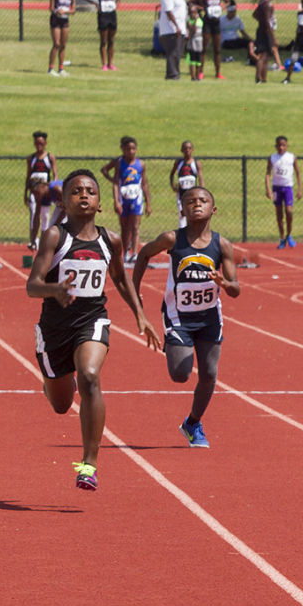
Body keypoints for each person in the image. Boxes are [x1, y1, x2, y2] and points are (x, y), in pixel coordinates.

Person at [25, 169, 160, 491]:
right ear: (63, 201)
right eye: (76, 191)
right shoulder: (55, 237)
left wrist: (140, 314)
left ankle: (89, 463)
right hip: (54, 327)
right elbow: (32, 285)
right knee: (60, 404)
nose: (83, 195)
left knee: (89, 375)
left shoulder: (110, 239)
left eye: (90, 191)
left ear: (100, 203)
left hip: (92, 319)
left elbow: (120, 278)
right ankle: (55, 381)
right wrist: (55, 289)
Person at [132, 187, 241, 448]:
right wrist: (134, 291)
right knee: (180, 374)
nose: (197, 205)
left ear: (213, 210)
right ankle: (174, 342)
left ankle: (192, 423)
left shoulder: (222, 244)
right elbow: (144, 253)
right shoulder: (172, 239)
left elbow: (236, 290)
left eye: (203, 201)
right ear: (182, 209)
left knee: (209, 374)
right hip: (178, 315)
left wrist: (224, 282)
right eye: (190, 201)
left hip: (209, 317)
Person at [101, 136, 150, 267]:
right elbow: (116, 182)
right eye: (128, 149)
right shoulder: (119, 163)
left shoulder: (141, 164)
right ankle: (125, 252)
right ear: (123, 149)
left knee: (135, 227)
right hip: (123, 199)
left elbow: (144, 183)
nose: (131, 151)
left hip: (136, 199)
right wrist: (116, 201)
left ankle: (135, 253)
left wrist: (148, 203)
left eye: (133, 149)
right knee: (124, 227)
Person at [265, 135, 303, 249]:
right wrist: (268, 189)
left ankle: (289, 235)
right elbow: (267, 174)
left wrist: (300, 189)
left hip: (288, 188)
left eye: (283, 145)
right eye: (279, 145)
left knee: (289, 211)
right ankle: (282, 237)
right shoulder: (272, 158)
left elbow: (298, 173)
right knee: (279, 214)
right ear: (276, 146)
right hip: (277, 187)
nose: (281, 147)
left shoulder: (291, 157)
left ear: (287, 146)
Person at [82, 0, 121, 72]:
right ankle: (104, 64)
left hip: (112, 14)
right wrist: (95, 4)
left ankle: (110, 63)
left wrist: (116, 4)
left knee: (111, 40)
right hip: (103, 15)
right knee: (103, 41)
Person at [24, 130, 57, 245]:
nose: (39, 146)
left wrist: (52, 187)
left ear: (45, 144)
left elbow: (55, 174)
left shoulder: (49, 157)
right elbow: (28, 175)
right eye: (37, 143)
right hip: (34, 192)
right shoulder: (31, 158)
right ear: (34, 144)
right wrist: (25, 193)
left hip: (46, 192)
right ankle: (33, 240)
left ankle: (43, 240)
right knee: (34, 213)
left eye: (41, 143)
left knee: (45, 216)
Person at [198, 0, 232, 79]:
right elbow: (194, 3)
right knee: (204, 48)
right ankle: (200, 71)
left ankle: (218, 73)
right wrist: (204, 8)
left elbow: (228, 2)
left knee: (217, 49)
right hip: (207, 22)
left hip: (216, 23)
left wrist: (222, 7)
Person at [158, 0, 187, 80]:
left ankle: (175, 74)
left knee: (178, 54)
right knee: (173, 53)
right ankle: (172, 75)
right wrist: (176, 27)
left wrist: (184, 28)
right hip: (170, 29)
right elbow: (168, 11)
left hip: (180, 29)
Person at [169, 141, 204, 228]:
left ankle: (193, 233)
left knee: (193, 214)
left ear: (192, 150)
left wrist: (202, 191)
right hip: (181, 192)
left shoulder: (196, 163)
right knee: (182, 214)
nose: (187, 150)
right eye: (185, 148)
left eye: (189, 148)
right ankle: (182, 235)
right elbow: (172, 174)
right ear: (181, 150)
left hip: (192, 193)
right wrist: (173, 185)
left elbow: (200, 178)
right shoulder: (178, 163)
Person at [250, 0, 278, 85]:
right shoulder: (267, 4)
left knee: (266, 56)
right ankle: (258, 77)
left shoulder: (261, 2)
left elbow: (255, 15)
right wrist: (273, 37)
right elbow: (267, 21)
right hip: (266, 32)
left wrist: (260, 21)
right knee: (263, 56)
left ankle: (264, 78)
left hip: (260, 30)